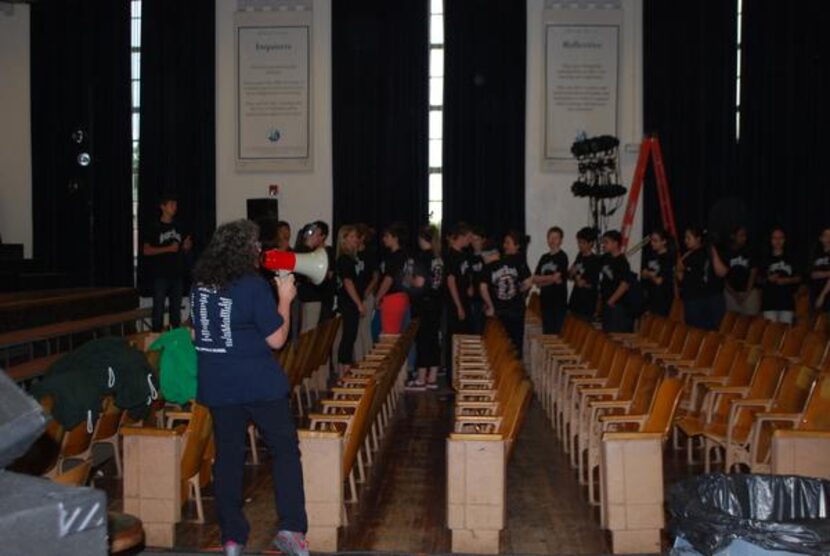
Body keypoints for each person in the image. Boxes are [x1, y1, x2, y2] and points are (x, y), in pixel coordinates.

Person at [189, 219, 308, 556]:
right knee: (284, 450)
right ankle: (292, 529)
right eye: (256, 246)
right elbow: (277, 339)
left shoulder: (200, 285)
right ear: (245, 250)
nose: (259, 251)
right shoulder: (252, 285)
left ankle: (232, 537)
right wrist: (284, 298)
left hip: (218, 383)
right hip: (258, 383)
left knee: (228, 456)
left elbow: (197, 335)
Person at [143, 193, 192, 332]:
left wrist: (187, 246)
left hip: (177, 273)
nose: (175, 207)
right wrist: (168, 248)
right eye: (171, 204)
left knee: (175, 310)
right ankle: (156, 336)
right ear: (162, 207)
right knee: (158, 308)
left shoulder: (179, 226)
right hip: (160, 275)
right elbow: (146, 250)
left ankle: (175, 338)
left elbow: (184, 247)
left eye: (176, 205)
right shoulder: (154, 226)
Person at [480, 232, 532, 355]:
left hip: (503, 310)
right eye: (504, 243)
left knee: (504, 344)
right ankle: (512, 371)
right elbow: (528, 282)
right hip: (512, 310)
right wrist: (519, 291)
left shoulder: (492, 265)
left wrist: (490, 305)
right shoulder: (516, 260)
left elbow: (483, 288)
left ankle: (508, 371)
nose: (505, 246)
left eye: (508, 243)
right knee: (514, 344)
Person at [406, 225, 444, 390]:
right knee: (433, 339)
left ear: (422, 239)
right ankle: (433, 377)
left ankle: (421, 378)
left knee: (422, 340)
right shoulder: (438, 257)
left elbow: (419, 283)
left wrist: (408, 279)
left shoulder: (422, 257)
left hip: (423, 304)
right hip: (436, 303)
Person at [676, 226, 729, 330]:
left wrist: (712, 250)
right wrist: (678, 269)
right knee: (695, 332)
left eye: (689, 238)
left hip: (712, 299)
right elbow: (681, 279)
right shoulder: (686, 256)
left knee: (714, 332)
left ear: (698, 238)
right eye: (685, 238)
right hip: (693, 300)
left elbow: (722, 272)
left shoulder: (711, 252)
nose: (686, 241)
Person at [334, 225, 365, 378]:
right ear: (344, 240)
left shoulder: (351, 258)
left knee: (349, 337)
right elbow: (348, 282)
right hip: (348, 303)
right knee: (348, 337)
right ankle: (343, 373)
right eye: (352, 237)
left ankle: (343, 371)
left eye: (356, 237)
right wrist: (359, 303)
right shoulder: (344, 259)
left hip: (350, 302)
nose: (356, 240)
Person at [444, 223, 473, 374]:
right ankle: (453, 373)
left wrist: (469, 286)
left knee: (465, 336)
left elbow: (465, 275)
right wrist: (458, 306)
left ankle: (463, 369)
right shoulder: (450, 255)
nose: (470, 240)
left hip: (465, 301)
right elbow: (450, 281)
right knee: (455, 337)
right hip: (456, 303)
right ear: (460, 237)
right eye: (468, 237)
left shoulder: (463, 254)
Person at [759, 226, 801, 323]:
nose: (778, 241)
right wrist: (768, 279)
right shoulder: (765, 258)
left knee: (785, 333)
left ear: (785, 239)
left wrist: (787, 280)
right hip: (769, 302)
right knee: (771, 334)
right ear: (770, 240)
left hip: (786, 302)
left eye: (780, 238)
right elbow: (758, 279)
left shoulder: (792, 257)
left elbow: (800, 278)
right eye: (775, 238)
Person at [375, 222, 410, 334]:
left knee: (389, 335)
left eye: (387, 236)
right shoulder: (402, 255)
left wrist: (378, 297)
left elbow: (388, 279)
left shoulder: (396, 256)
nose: (384, 239)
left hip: (393, 298)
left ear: (395, 238)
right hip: (401, 296)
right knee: (393, 334)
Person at [533, 226, 569, 334]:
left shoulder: (562, 256)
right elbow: (535, 278)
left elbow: (557, 277)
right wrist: (550, 278)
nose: (552, 240)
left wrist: (542, 281)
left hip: (558, 301)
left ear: (561, 240)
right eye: (550, 237)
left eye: (556, 238)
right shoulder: (544, 257)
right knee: (546, 332)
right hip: (545, 300)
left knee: (557, 333)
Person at [598, 230, 633, 333]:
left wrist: (611, 301)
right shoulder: (605, 258)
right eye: (603, 242)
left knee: (615, 335)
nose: (603, 245)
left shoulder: (622, 262)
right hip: (606, 302)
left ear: (615, 243)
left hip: (617, 305)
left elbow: (624, 285)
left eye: (606, 242)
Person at [354, 223, 379, 360]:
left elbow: (376, 277)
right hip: (355, 296)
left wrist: (366, 292)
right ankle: (358, 360)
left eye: (356, 236)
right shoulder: (352, 254)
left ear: (362, 238)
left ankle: (368, 360)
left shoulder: (369, 254)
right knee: (356, 331)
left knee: (365, 329)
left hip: (366, 295)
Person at [724, 225, 759, 315]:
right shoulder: (726, 253)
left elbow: (753, 273)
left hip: (749, 292)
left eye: (745, 235)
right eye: (741, 235)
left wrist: (747, 292)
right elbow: (723, 276)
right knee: (733, 322)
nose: (744, 238)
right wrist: (734, 294)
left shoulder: (750, 251)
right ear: (733, 236)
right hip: (731, 293)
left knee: (751, 322)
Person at [568, 227, 601, 322]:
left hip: (587, 304)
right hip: (575, 301)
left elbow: (591, 284)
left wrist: (579, 280)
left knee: (583, 331)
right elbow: (570, 276)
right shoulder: (580, 256)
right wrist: (571, 273)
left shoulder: (595, 261)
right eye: (579, 242)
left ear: (591, 243)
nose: (580, 245)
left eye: (583, 243)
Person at [640, 228, 675, 317]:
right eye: (651, 240)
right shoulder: (651, 255)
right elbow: (643, 274)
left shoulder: (668, 258)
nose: (652, 243)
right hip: (650, 296)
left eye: (655, 241)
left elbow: (659, 281)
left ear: (664, 241)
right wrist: (649, 275)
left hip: (662, 299)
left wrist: (649, 274)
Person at [467, 226, 487, 334]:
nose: (474, 243)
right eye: (472, 240)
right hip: (474, 299)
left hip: (485, 299)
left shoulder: (487, 257)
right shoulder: (469, 257)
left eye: (477, 239)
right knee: (474, 328)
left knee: (483, 328)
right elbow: (469, 275)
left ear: (483, 240)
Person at [808, 226, 830, 317]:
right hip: (815, 292)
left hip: (827, 294)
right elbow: (812, 274)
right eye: (826, 235)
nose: (829, 238)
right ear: (821, 238)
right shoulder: (815, 254)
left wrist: (823, 295)